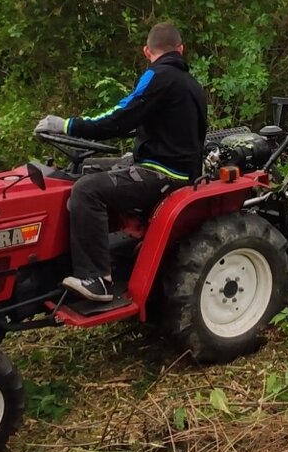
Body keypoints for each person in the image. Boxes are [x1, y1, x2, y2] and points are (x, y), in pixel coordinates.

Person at [35, 23, 207, 302]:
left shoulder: (158, 75)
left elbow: (119, 117)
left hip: (164, 174)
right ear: (181, 49)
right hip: (179, 169)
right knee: (87, 169)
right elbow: (152, 123)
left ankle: (97, 278)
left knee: (86, 190)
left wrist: (66, 125)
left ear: (146, 51)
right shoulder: (191, 84)